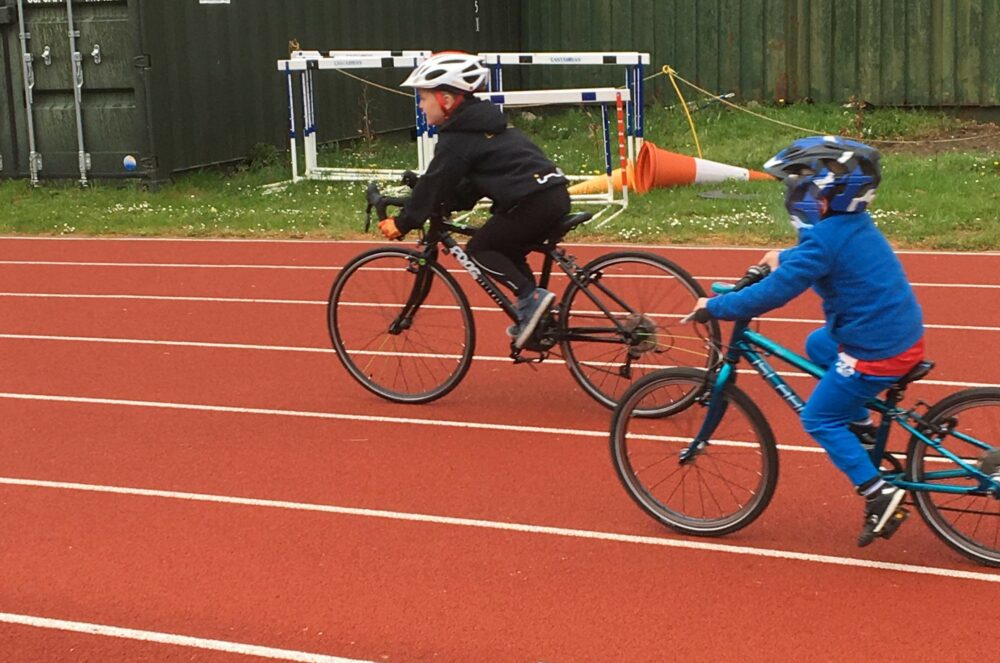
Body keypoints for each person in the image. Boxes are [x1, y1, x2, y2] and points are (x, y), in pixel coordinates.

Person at [687, 135, 925, 547]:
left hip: (876, 353)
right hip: (895, 337)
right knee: (818, 344)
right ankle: (862, 425)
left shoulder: (823, 239)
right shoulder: (850, 226)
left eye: (801, 187)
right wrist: (782, 256)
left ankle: (878, 493)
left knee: (818, 418)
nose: (795, 195)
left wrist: (718, 306)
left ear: (826, 193)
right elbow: (816, 255)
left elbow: (776, 292)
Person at [377, 51, 570, 349]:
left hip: (532, 203)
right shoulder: (483, 127)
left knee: (480, 247)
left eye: (424, 97)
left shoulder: (458, 137)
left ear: (447, 99)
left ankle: (531, 300)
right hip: (551, 195)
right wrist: (438, 201)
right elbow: (467, 186)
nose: (420, 104)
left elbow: (436, 181)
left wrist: (404, 222)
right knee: (506, 245)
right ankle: (535, 319)